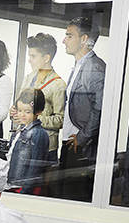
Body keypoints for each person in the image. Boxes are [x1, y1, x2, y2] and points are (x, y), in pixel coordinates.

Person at [60, 17, 106, 202]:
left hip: (81, 146)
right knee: (64, 196)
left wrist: (83, 137)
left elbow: (100, 107)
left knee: (74, 198)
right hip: (71, 142)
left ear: (84, 39)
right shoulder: (80, 65)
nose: (64, 40)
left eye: (69, 36)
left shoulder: (95, 67)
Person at [9, 33, 66, 157]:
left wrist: (34, 119)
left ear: (46, 58)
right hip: (22, 141)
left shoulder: (58, 84)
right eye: (29, 56)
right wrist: (14, 112)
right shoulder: (28, 78)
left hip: (45, 147)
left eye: (33, 56)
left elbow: (60, 120)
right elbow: (19, 106)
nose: (29, 60)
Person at [7, 89, 53, 195]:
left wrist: (25, 190)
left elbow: (35, 166)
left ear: (38, 112)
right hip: (14, 183)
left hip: (26, 187)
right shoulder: (20, 130)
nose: (22, 115)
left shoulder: (38, 133)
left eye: (27, 112)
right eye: (19, 110)